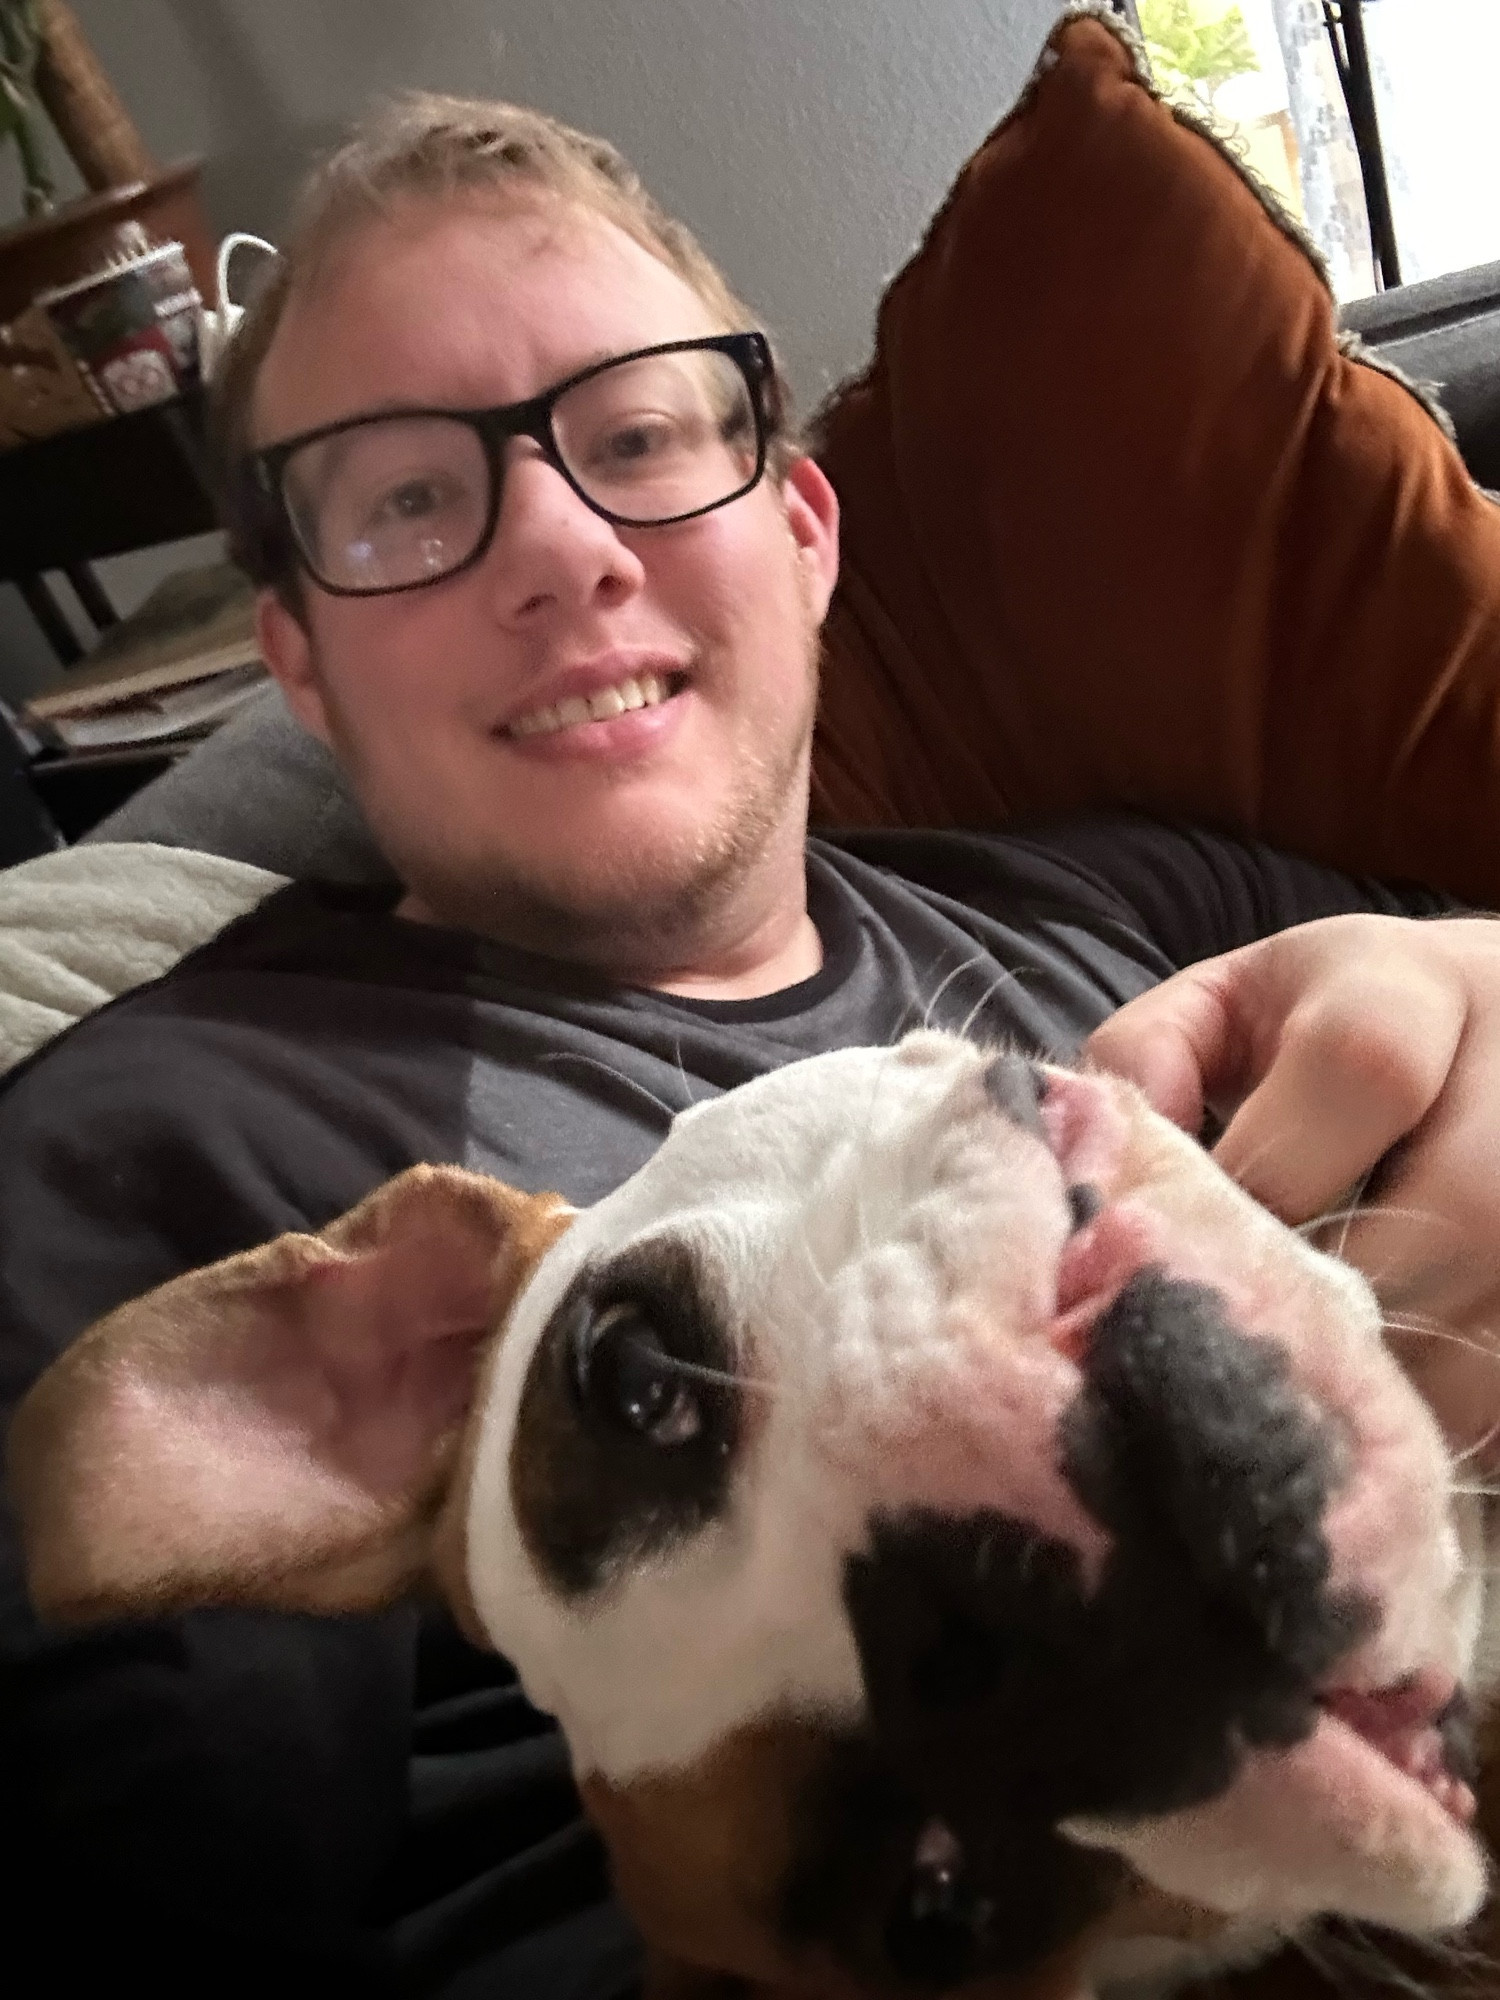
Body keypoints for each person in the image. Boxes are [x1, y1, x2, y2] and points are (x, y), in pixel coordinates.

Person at [1, 91, 1497, 1996]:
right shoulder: (160, 1150)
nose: (556, 549)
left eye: (635, 439)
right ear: (297, 666)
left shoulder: (1104, 892)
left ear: (801, 534)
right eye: (405, 498)